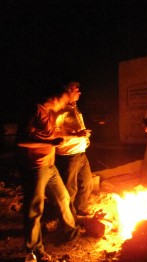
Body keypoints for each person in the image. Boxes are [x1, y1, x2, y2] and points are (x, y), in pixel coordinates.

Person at [18, 88, 80, 262]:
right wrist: (49, 142)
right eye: (64, 99)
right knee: (35, 209)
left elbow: (53, 134)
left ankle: (71, 231)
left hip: (51, 167)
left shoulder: (50, 113)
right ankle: (34, 250)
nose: (65, 103)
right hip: (37, 168)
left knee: (64, 197)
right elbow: (21, 141)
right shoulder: (35, 111)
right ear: (55, 97)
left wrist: (73, 135)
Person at [55, 82, 93, 217]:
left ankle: (81, 209)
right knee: (70, 188)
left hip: (81, 153)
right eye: (77, 90)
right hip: (69, 154)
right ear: (69, 91)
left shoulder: (75, 108)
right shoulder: (61, 110)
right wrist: (76, 135)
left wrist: (84, 138)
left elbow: (77, 128)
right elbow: (55, 133)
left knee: (87, 183)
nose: (80, 92)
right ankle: (68, 217)